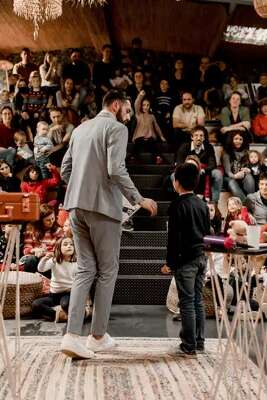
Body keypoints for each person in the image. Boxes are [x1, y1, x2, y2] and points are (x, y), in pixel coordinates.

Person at [60, 89, 157, 359]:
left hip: (75, 207)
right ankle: (97, 336)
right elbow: (116, 170)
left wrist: (83, 186)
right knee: (107, 271)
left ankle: (71, 336)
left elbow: (66, 169)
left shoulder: (80, 129)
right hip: (102, 209)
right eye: (127, 111)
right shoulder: (116, 128)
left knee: (84, 269)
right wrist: (138, 199)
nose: (128, 117)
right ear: (115, 106)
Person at [165, 162, 210, 356]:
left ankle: (188, 345)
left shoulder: (176, 205)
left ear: (176, 182)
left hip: (185, 260)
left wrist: (170, 263)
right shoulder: (202, 204)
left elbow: (174, 238)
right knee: (198, 301)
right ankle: (199, 342)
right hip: (201, 258)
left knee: (186, 302)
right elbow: (207, 232)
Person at [32, 237, 77, 322]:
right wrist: (45, 259)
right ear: (58, 248)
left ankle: (62, 313)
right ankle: (58, 315)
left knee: (65, 304)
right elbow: (41, 269)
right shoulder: (55, 260)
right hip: (53, 295)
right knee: (36, 304)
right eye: (65, 244)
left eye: (71, 244)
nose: (69, 246)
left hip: (68, 293)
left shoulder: (76, 262)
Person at [176, 125, 223, 203]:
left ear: (204, 138)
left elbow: (213, 164)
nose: (198, 138)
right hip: (187, 171)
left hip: (204, 171)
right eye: (196, 135)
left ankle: (214, 203)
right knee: (173, 176)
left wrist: (202, 170)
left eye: (201, 136)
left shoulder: (208, 147)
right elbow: (179, 164)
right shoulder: (184, 147)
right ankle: (183, 201)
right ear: (192, 137)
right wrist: (191, 170)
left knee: (218, 174)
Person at [132, 90, 166, 164]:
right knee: (136, 146)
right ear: (141, 106)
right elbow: (136, 104)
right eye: (144, 105)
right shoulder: (138, 114)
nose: (146, 107)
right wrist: (140, 96)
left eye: (147, 105)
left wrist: (161, 136)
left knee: (154, 146)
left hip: (150, 137)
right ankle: (134, 158)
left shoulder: (152, 116)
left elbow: (156, 127)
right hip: (140, 137)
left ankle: (157, 158)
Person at [222, 130, 255, 203]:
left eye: (240, 139)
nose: (238, 141)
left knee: (249, 177)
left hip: (242, 176)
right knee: (232, 182)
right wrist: (235, 176)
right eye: (236, 139)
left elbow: (251, 167)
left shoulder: (246, 152)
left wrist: (247, 170)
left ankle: (252, 199)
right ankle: (246, 204)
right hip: (229, 177)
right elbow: (228, 172)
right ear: (232, 140)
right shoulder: (226, 153)